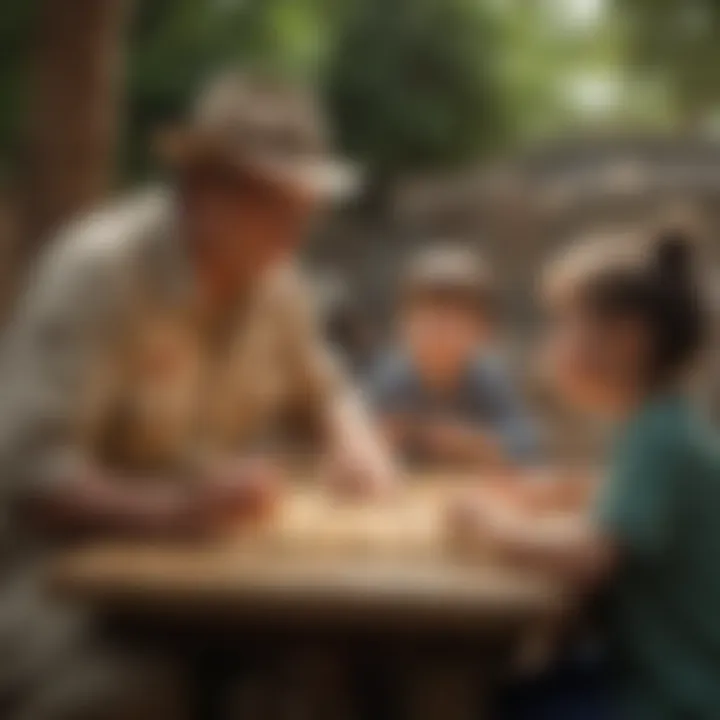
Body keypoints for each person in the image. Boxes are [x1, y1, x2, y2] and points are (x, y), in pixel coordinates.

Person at [0, 70, 393, 719]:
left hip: (206, 577)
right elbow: (32, 475)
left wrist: (357, 443)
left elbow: (327, 388)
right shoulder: (100, 272)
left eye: (306, 203)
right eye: (275, 200)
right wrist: (179, 510)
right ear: (201, 187)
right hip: (51, 582)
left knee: (326, 674)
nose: (296, 226)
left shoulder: (275, 280)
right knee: (130, 693)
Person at [450, 225, 720, 719]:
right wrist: (564, 492)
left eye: (564, 325)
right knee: (513, 686)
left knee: (493, 702)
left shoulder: (658, 436)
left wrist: (490, 523)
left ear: (628, 340)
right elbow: (637, 502)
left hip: (674, 699)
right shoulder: (664, 423)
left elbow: (589, 558)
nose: (551, 344)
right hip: (666, 678)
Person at [368, 244, 537, 469]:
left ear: (484, 332)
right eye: (427, 320)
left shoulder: (486, 379)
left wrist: (472, 443)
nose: (439, 333)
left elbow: (527, 446)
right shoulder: (392, 378)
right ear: (402, 326)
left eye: (455, 323)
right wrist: (378, 439)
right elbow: (356, 437)